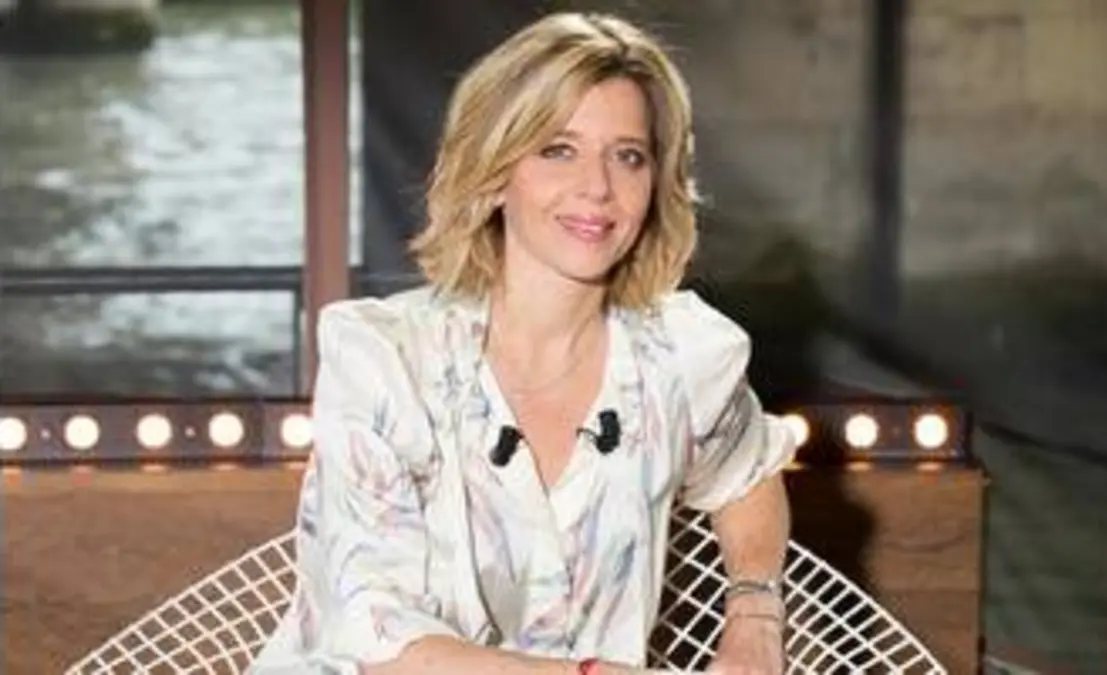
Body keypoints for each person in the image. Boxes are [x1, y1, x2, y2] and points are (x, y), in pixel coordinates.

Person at [251, 11, 798, 675]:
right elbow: (379, 639)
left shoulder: (681, 359)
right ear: (494, 173)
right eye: (558, 150)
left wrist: (754, 612)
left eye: (628, 156)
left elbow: (748, 471)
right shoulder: (385, 360)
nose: (597, 188)